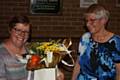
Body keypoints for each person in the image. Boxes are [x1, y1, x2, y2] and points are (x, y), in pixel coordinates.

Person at [0, 15, 64, 80]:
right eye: (18, 30)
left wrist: (56, 73)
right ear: (10, 30)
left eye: (26, 32)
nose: (22, 34)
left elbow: (44, 66)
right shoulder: (1, 53)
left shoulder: (31, 49)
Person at [71, 4, 120, 80]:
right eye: (86, 21)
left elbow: (119, 72)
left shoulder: (116, 42)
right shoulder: (85, 38)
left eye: (92, 20)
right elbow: (78, 64)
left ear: (104, 20)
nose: (87, 24)